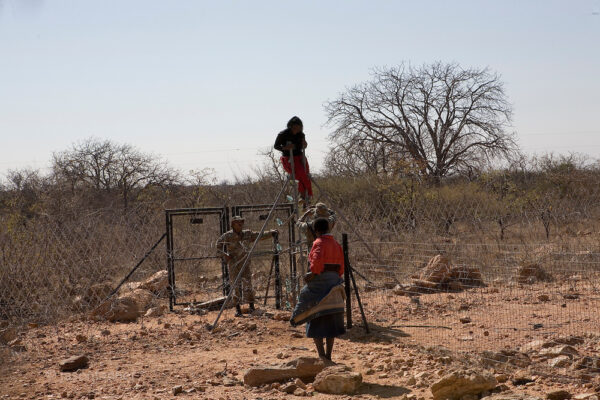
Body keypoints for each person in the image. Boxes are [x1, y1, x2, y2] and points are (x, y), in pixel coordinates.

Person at [291, 218, 346, 361]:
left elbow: (316, 263)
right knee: (331, 324)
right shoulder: (336, 244)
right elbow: (341, 267)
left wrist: (312, 274)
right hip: (335, 282)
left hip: (321, 283)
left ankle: (321, 356)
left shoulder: (318, 242)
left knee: (307, 302)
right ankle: (329, 355)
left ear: (316, 231)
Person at [216, 216, 278, 317]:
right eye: (237, 223)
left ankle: (251, 306)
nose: (240, 225)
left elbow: (260, 235)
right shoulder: (227, 236)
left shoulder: (247, 234)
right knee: (235, 286)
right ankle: (238, 309)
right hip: (234, 264)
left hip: (245, 263)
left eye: (241, 222)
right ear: (233, 224)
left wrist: (271, 233)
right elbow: (218, 245)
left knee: (248, 284)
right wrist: (224, 255)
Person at [274, 116, 313, 206]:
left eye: (298, 128)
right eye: (294, 128)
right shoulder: (283, 134)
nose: (296, 130)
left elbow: (304, 145)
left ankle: (306, 197)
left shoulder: (301, 135)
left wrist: (305, 144)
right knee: (299, 175)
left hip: (300, 158)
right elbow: (276, 146)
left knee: (305, 175)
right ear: (290, 126)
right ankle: (303, 196)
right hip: (289, 159)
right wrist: (285, 148)